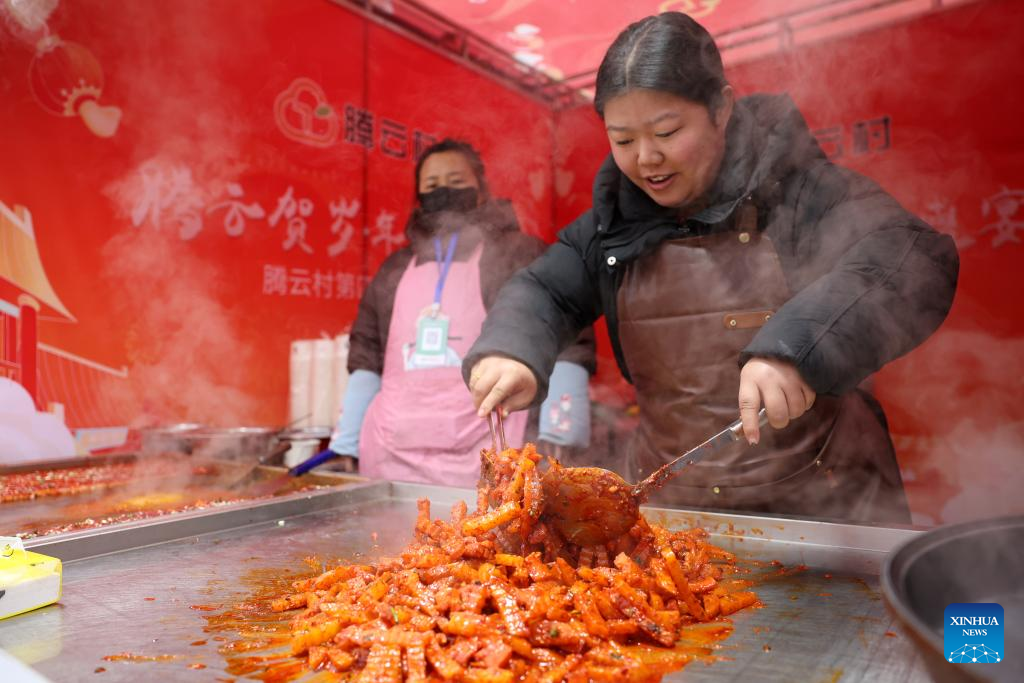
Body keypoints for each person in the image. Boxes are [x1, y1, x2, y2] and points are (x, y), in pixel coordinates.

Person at [464, 13, 958, 523]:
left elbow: (913, 255)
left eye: (667, 131)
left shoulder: (799, 191)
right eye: (623, 139)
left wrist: (798, 348)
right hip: (669, 512)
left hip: (824, 509)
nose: (646, 158)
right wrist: (510, 348)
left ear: (721, 108)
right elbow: (545, 289)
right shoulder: (612, 224)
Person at [327, 139, 594, 487]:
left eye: (455, 182)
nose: (444, 192)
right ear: (419, 197)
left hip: (488, 448)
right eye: (432, 185)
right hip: (391, 452)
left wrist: (561, 432)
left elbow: (568, 336)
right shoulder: (395, 267)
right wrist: (346, 442)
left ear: (481, 189)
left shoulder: (517, 253)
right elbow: (367, 354)